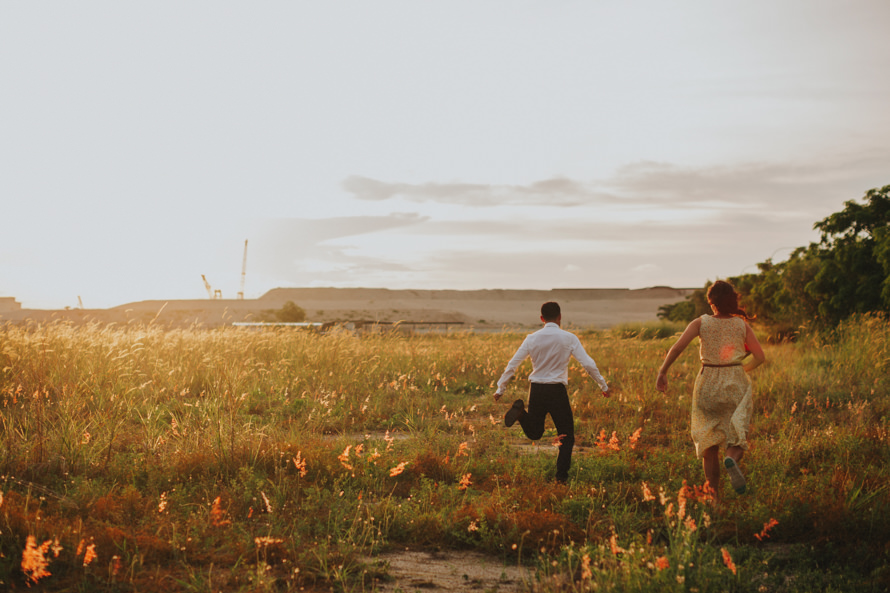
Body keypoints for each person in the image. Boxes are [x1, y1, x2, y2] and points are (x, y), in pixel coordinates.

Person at [655, 280, 765, 501]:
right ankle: (732, 459)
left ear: (711, 302)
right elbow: (760, 357)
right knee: (737, 435)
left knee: (709, 443)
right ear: (732, 301)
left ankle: (713, 497)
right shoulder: (741, 325)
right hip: (735, 381)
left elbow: (677, 347)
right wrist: (741, 368)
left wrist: (662, 371)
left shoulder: (700, 322)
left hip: (707, 382)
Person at [494, 301, 611, 484]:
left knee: (535, 432)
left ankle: (520, 414)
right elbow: (587, 364)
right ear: (560, 317)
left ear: (541, 318)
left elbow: (513, 364)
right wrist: (603, 385)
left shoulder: (531, 338)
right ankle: (561, 478)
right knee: (566, 435)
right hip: (556, 391)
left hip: (537, 390)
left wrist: (501, 388)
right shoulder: (569, 338)